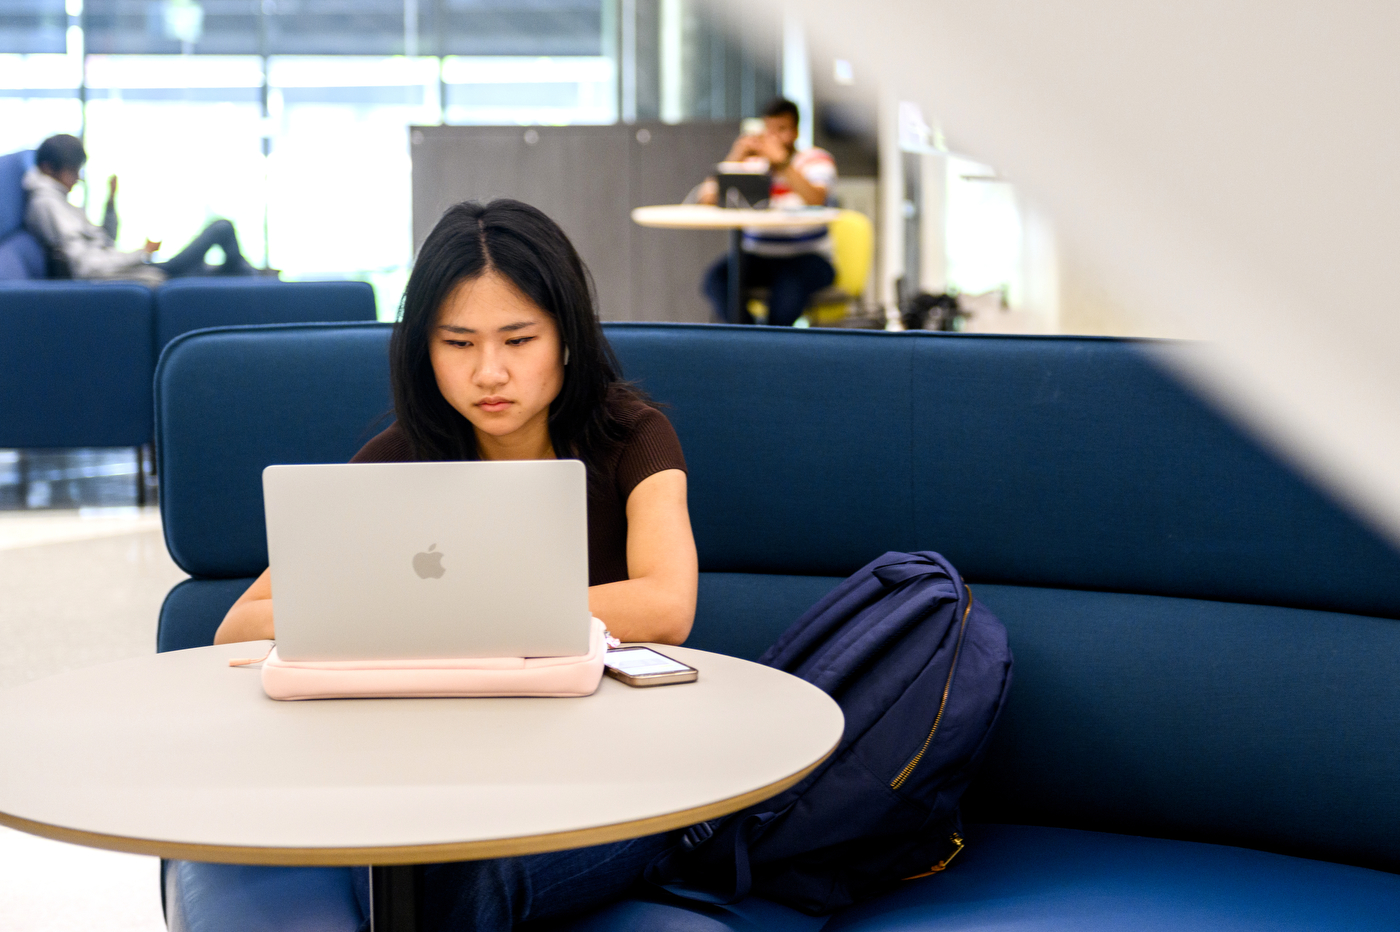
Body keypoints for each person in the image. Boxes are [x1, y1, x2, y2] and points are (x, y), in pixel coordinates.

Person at [214, 198, 700, 931]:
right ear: (425, 350)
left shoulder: (632, 435)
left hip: (604, 770)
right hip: (431, 770)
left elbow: (667, 603)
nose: (490, 372)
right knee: (415, 854)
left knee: (479, 880)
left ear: (566, 336)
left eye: (518, 338)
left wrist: (443, 616)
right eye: (458, 343)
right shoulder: (399, 459)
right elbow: (238, 625)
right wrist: (460, 616)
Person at [22, 133, 255, 283]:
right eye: (72, 171)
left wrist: (110, 201)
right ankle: (254, 280)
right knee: (222, 229)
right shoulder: (46, 204)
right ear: (49, 168)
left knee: (220, 271)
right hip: (131, 275)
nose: (76, 180)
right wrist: (142, 253)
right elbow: (86, 267)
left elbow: (104, 241)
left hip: (130, 269)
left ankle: (252, 278)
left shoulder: (57, 200)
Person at [699, 98, 838, 326]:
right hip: (759, 256)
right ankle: (749, 340)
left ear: (795, 132)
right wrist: (735, 158)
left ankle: (770, 346)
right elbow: (707, 198)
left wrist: (783, 163)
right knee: (716, 281)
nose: (773, 138)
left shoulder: (814, 160)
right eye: (769, 130)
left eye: (781, 130)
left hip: (808, 257)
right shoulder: (753, 166)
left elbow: (817, 198)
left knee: (785, 300)